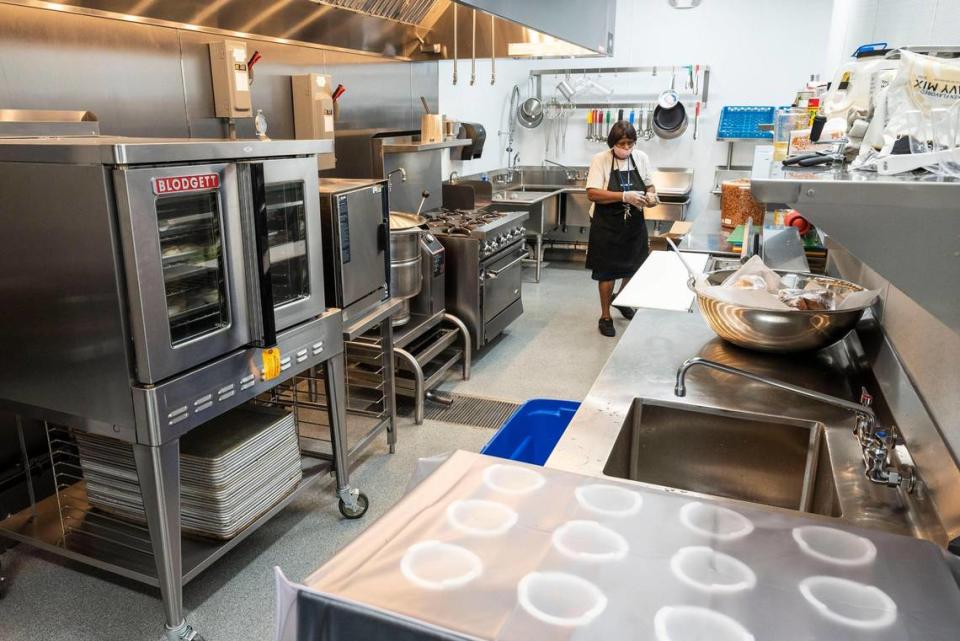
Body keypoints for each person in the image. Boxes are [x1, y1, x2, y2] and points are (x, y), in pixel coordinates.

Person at [584, 120, 659, 337]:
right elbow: (593, 193)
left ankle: (622, 299)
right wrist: (624, 196)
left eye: (631, 144)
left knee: (634, 265)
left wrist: (652, 195)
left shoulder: (641, 158)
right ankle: (605, 316)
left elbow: (648, 183)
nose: (626, 148)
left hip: (634, 223)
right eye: (622, 144)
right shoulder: (601, 160)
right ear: (613, 143)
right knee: (607, 271)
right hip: (607, 224)